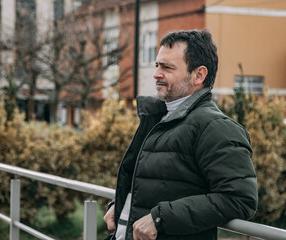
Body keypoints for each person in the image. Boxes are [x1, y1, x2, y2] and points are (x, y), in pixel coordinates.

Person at [103, 29, 258, 240]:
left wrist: (160, 218)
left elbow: (240, 199)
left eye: (167, 67)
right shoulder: (158, 117)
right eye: (158, 65)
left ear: (199, 75)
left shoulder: (215, 127)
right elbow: (154, 183)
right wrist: (120, 204)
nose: (156, 73)